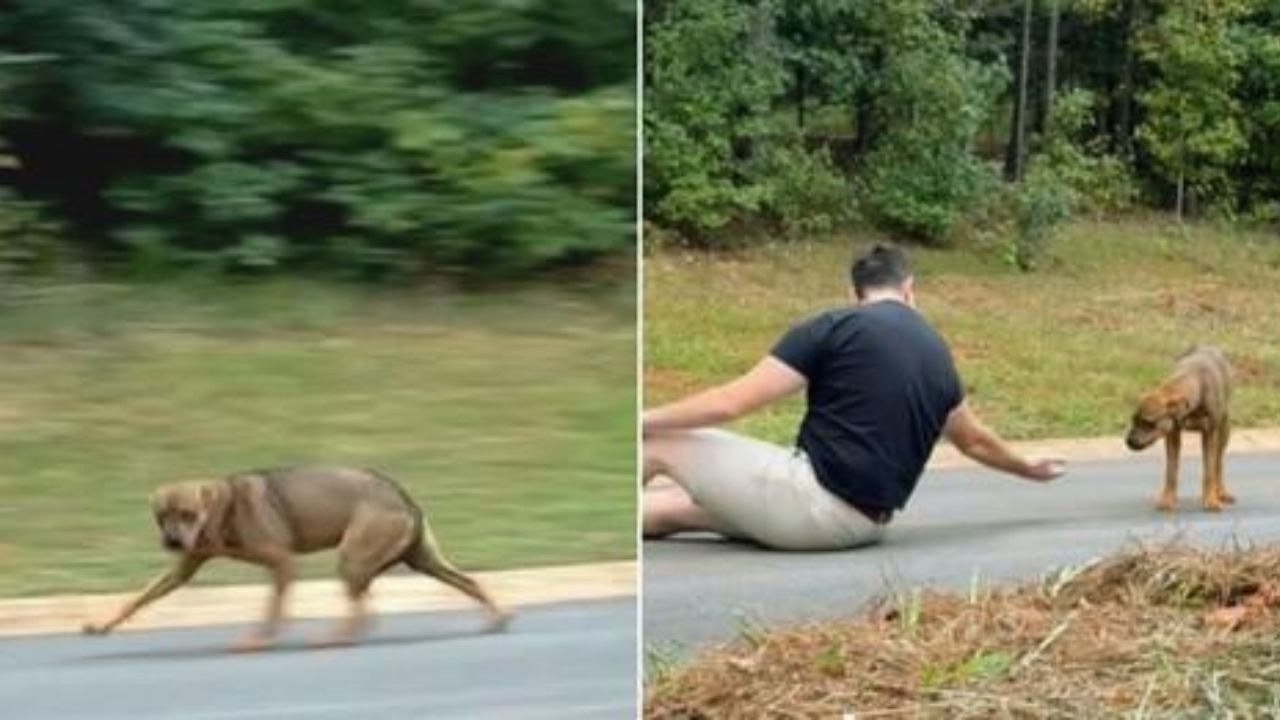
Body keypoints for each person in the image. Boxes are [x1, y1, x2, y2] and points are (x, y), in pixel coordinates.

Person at [642, 243, 1065, 550]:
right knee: (668, 509)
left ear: (855, 293)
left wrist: (642, 418)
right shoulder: (938, 353)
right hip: (863, 526)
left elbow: (732, 402)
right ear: (910, 290)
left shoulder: (834, 327)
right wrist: (1027, 468)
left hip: (810, 504)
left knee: (657, 440)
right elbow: (973, 440)